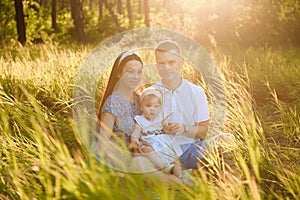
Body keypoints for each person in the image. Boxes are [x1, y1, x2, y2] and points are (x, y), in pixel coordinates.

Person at [94, 50, 184, 184]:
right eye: (130, 71)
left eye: (139, 72)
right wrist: (123, 163)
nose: (135, 77)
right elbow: (103, 145)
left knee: (165, 154)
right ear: (119, 73)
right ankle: (176, 183)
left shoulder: (139, 97)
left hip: (145, 151)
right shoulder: (112, 105)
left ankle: (174, 177)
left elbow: (152, 121)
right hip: (122, 156)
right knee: (139, 166)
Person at [152, 39, 236, 170]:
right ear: (156, 66)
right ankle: (180, 173)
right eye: (162, 63)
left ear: (181, 63)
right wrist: (162, 129)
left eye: (171, 62)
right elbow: (143, 130)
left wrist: (184, 129)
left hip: (191, 150)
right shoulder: (150, 94)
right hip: (163, 155)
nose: (166, 67)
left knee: (227, 139)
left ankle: (233, 185)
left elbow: (203, 131)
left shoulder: (196, 92)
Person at [130, 87, 184, 178]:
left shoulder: (160, 118)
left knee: (175, 158)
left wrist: (169, 128)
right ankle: (164, 167)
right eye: (148, 106)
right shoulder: (140, 120)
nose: (152, 109)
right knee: (146, 150)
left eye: (156, 106)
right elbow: (135, 134)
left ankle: (180, 176)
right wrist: (135, 142)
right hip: (150, 143)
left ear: (160, 107)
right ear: (141, 107)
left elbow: (166, 129)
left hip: (163, 141)